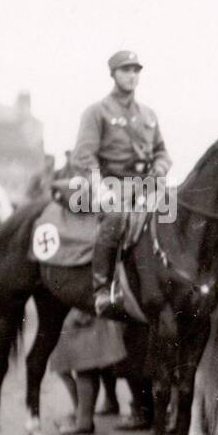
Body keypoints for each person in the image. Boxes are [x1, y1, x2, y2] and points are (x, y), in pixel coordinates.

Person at [75, 50, 171, 318]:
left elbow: (162, 151)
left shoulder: (148, 114)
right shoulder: (97, 112)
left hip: (145, 185)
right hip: (109, 183)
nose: (131, 76)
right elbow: (84, 155)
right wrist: (100, 188)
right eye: (125, 70)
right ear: (113, 74)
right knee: (116, 217)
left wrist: (159, 169)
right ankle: (103, 290)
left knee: (173, 213)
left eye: (135, 71)